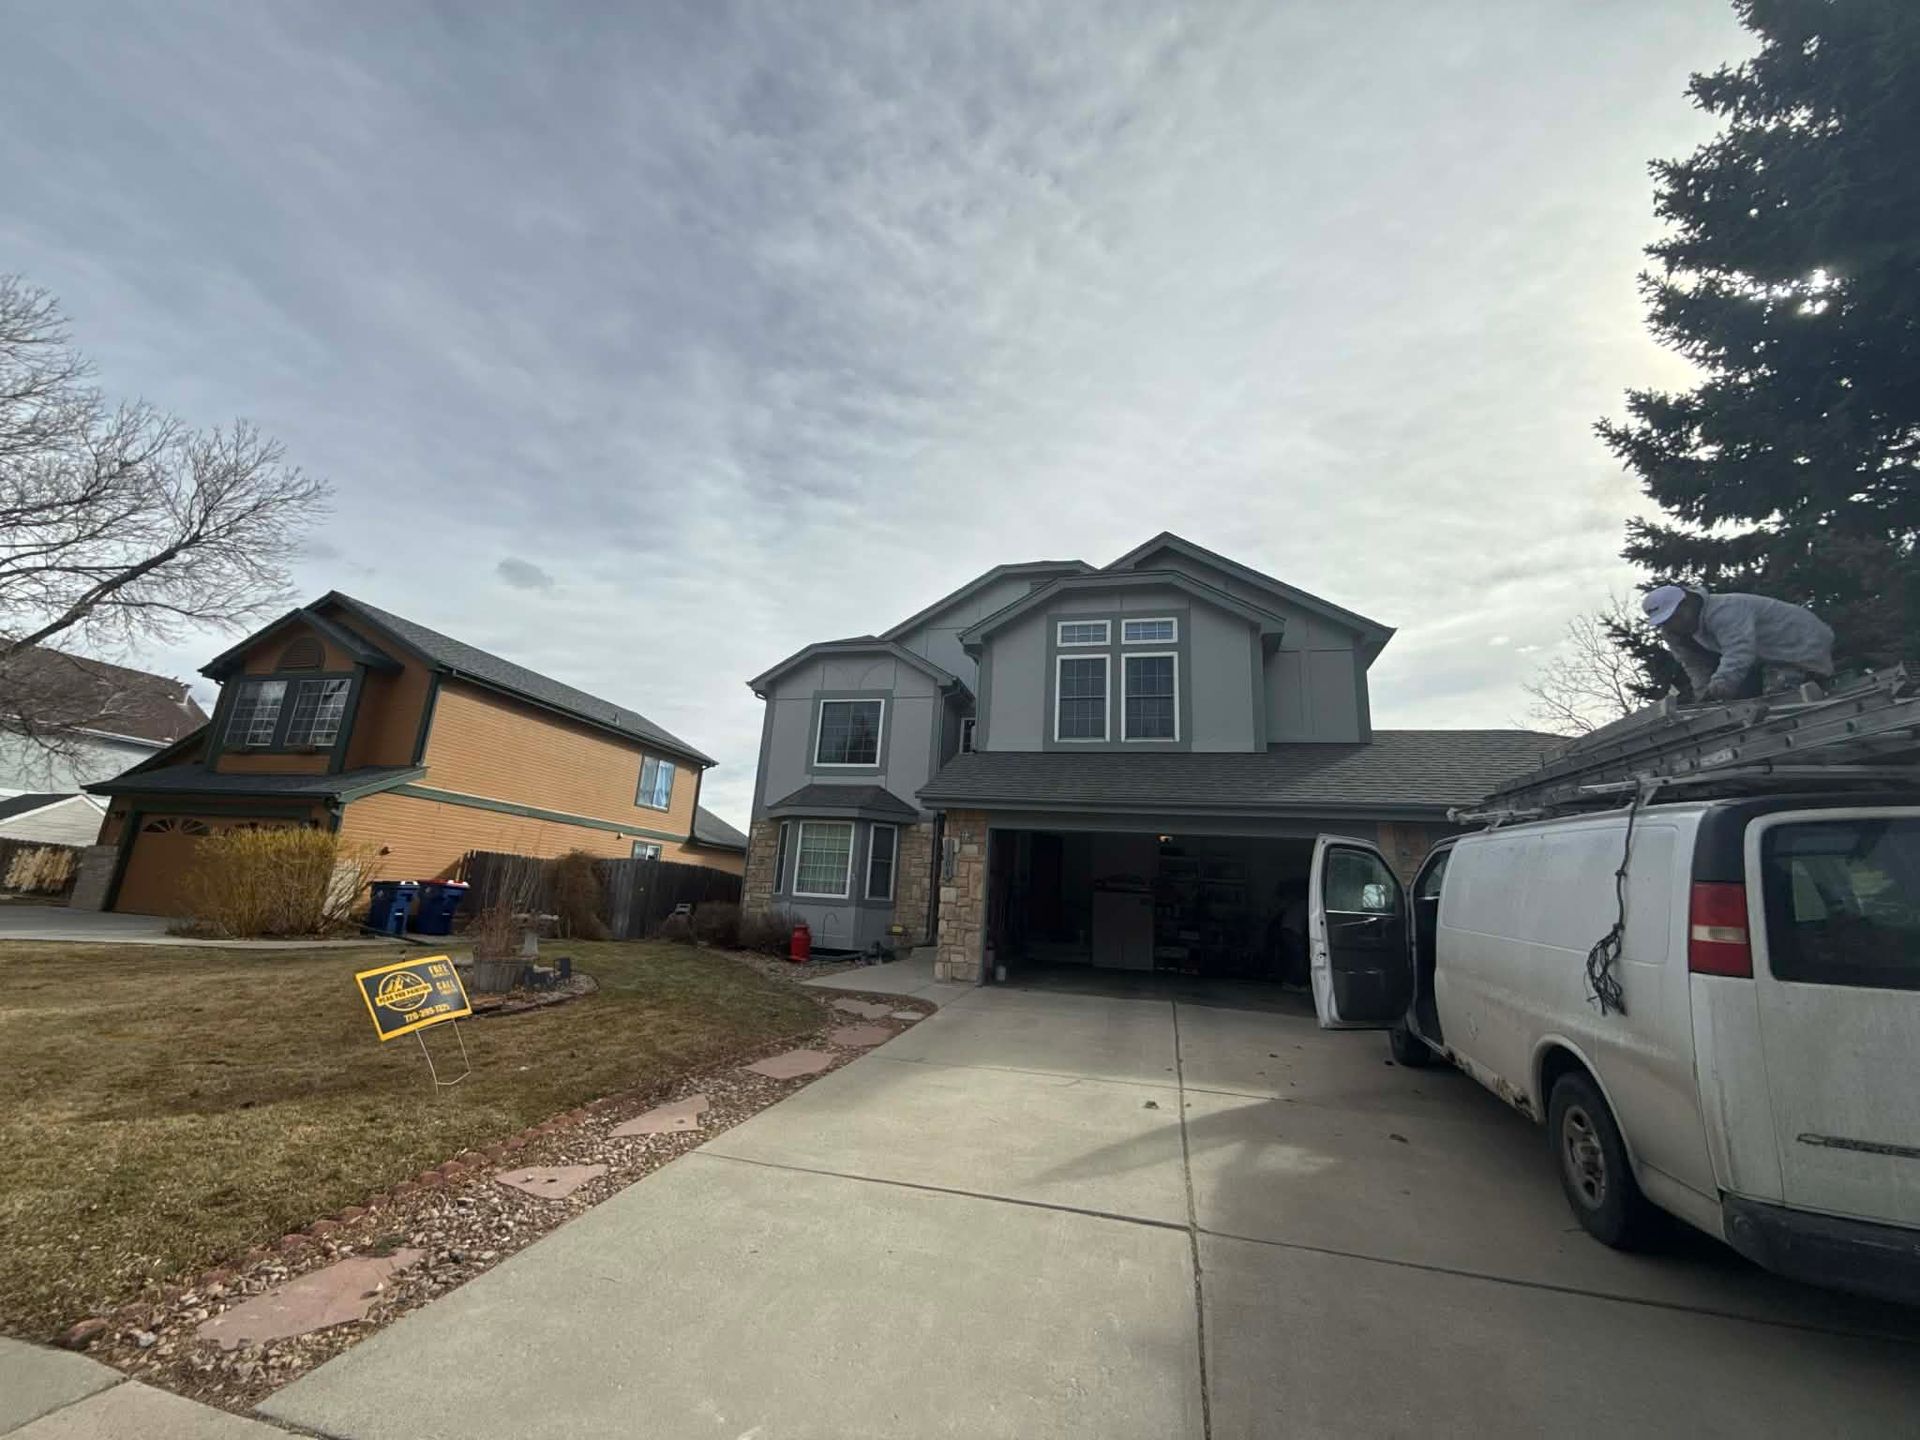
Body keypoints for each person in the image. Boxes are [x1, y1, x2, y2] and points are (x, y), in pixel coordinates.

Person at [1641, 584, 1835, 702]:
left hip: (1800, 643)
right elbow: (1694, 665)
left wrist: (1720, 685)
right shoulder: (1674, 632)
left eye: (1676, 616)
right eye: (1667, 621)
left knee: (1780, 700)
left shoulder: (1726, 611)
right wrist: (1703, 697)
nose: (1675, 624)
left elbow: (1739, 651)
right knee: (1743, 699)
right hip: (1764, 656)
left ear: (1688, 602)